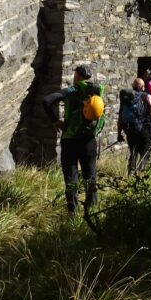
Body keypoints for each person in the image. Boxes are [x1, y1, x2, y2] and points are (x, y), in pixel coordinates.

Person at [42, 65, 104, 215]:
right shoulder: (98, 91)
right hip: (89, 141)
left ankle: (73, 213)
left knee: (71, 178)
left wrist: (55, 121)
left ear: (77, 76)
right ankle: (93, 212)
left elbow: (47, 101)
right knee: (90, 177)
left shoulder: (71, 90)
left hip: (70, 140)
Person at [117, 76, 151, 174]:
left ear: (133, 86)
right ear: (142, 87)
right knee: (144, 153)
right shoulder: (146, 96)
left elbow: (120, 117)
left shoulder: (125, 99)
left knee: (132, 152)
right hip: (143, 130)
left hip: (129, 130)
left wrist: (119, 134)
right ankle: (140, 176)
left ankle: (130, 174)